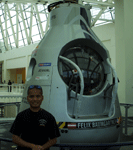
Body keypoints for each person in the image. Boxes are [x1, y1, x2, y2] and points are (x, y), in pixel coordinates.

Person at [9, 85, 61, 150]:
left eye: (38, 96)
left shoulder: (49, 117)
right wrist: (32, 146)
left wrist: (41, 148)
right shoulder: (21, 116)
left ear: (42, 98)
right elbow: (15, 138)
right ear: (27, 98)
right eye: (31, 96)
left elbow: (53, 139)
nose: (35, 99)